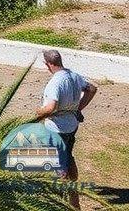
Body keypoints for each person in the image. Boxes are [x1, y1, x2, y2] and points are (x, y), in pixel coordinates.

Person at [34, 49, 98, 208]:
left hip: (57, 129)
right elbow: (92, 88)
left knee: (59, 165)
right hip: (71, 126)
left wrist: (36, 115)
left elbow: (51, 107)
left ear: (48, 64)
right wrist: (78, 109)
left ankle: (62, 203)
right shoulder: (74, 76)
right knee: (68, 157)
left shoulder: (55, 82)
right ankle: (74, 202)